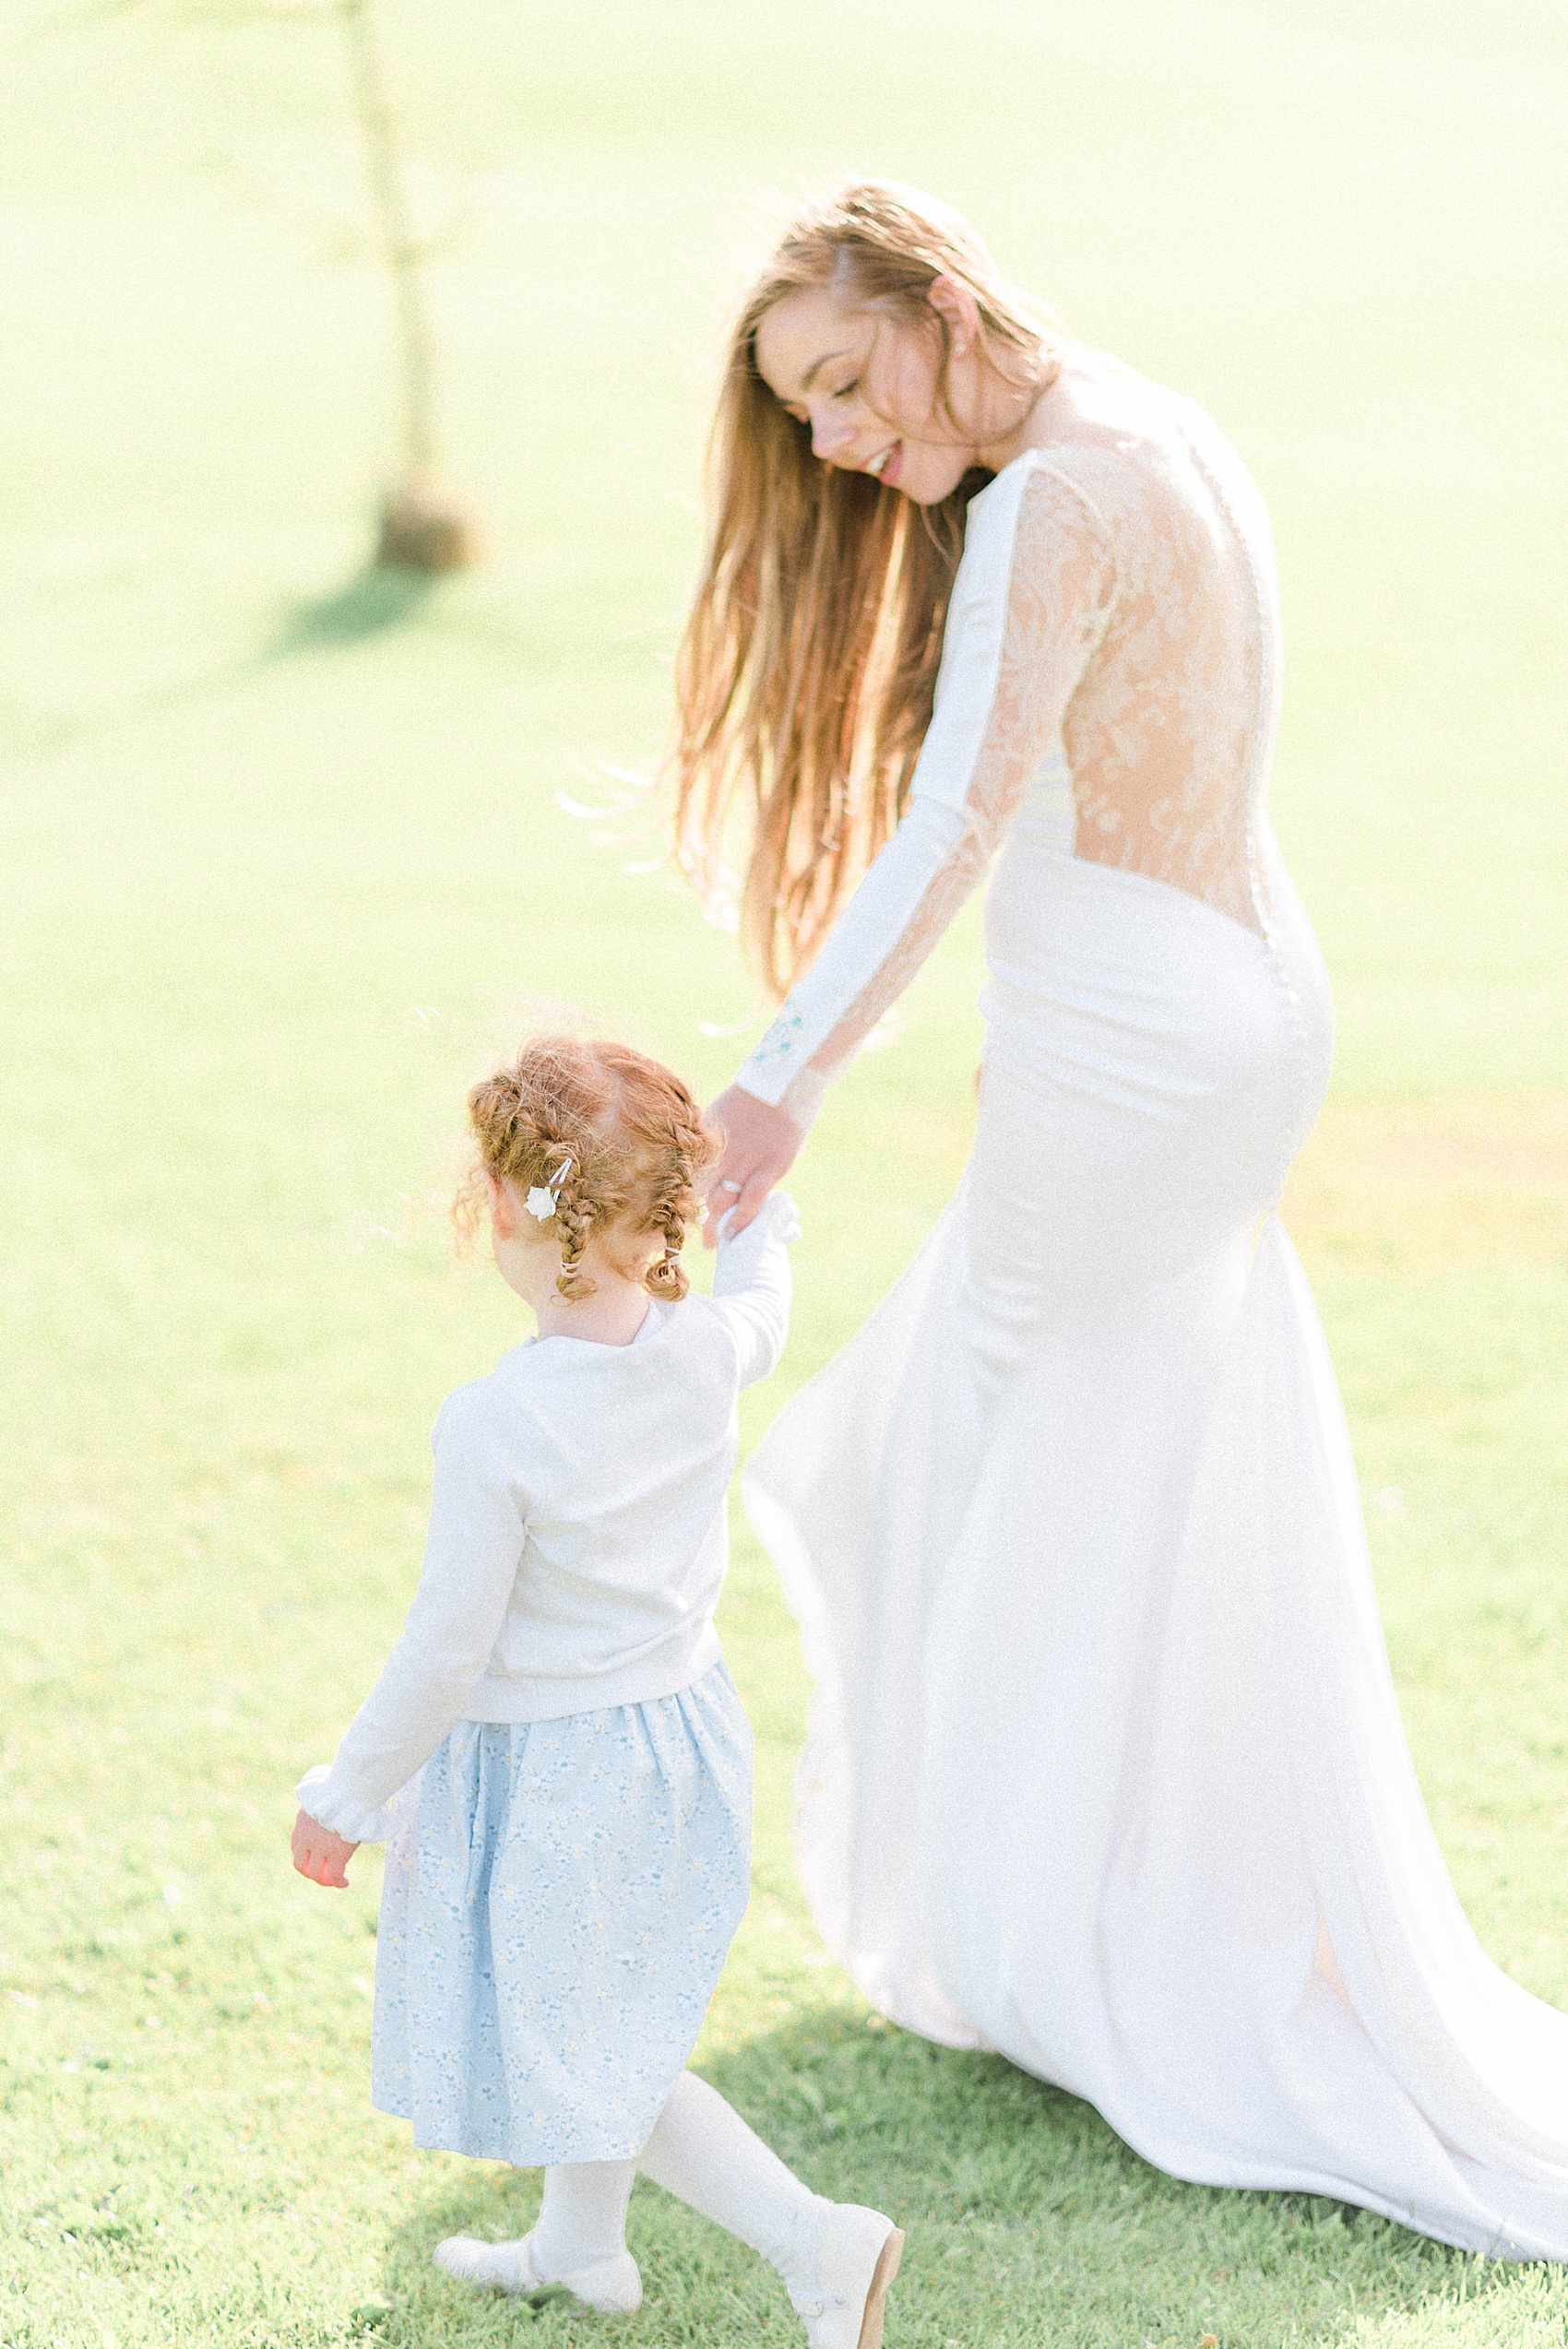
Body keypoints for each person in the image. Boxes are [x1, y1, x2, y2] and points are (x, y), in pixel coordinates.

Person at [673, 181, 1568, 2258]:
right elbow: (1129, 772)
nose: (828, 441)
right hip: (1222, 1013)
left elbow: (959, 822)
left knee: (993, 1462)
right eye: (797, 415)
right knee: (1112, 1458)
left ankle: (1070, 1948)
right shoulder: (1157, 425)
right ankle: (1122, 1910)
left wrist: (776, 1075)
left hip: (1143, 1047)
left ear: (925, 295)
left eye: (835, 381)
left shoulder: (1043, 504)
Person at [290, 1034, 905, 2346]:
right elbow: (769, 1312)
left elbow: (449, 1648)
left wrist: (350, 1791)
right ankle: (581, 2249)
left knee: (596, 2048)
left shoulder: (497, 1423)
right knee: (602, 2004)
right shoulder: (705, 1348)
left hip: (561, 1769)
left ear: (509, 1208)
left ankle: (816, 2242)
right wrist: (771, 1225)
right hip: (677, 1743)